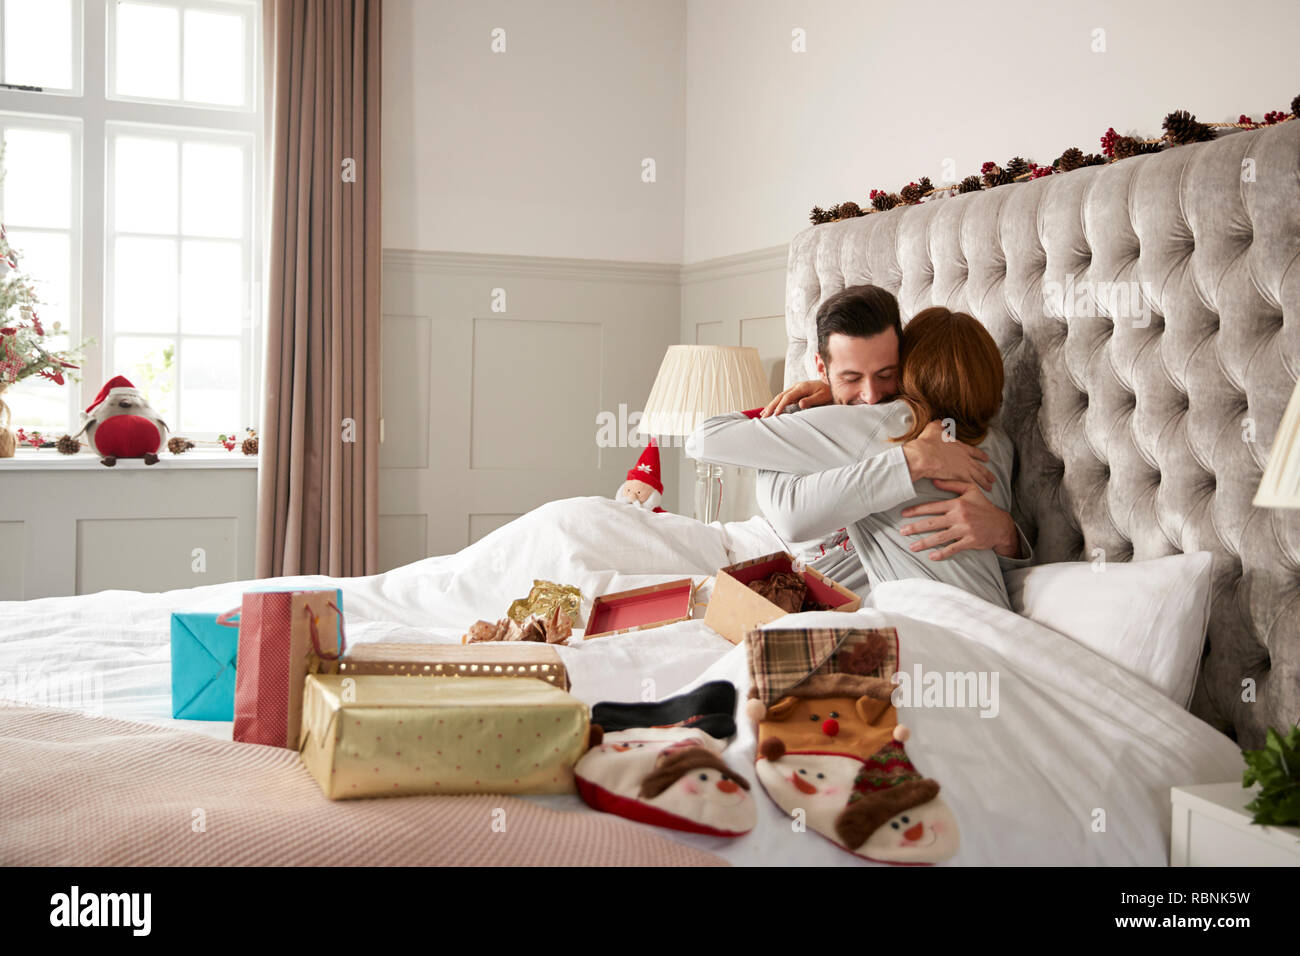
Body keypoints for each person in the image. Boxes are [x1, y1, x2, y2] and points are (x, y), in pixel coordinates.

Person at [686, 286, 1031, 607]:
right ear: (823, 369)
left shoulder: (882, 422)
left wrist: (1004, 532)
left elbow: (706, 438)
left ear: (908, 364)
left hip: (917, 617)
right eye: (851, 378)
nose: (870, 396)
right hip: (989, 619)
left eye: (886, 375)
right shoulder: (998, 443)